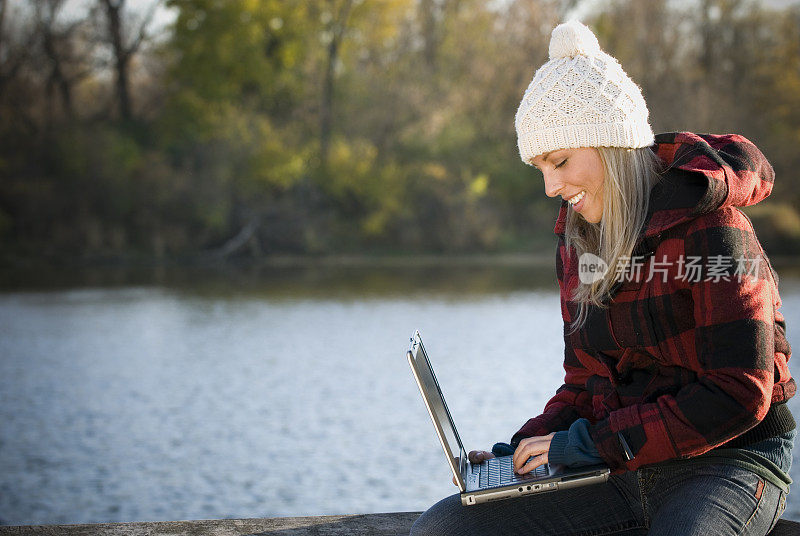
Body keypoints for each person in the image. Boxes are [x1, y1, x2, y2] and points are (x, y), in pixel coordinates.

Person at [410, 20, 796, 536]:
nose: (550, 186)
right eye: (540, 168)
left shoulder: (715, 229)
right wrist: (522, 450)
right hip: (620, 461)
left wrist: (592, 445)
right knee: (442, 528)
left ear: (609, 145)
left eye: (560, 161)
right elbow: (586, 384)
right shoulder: (578, 242)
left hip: (728, 461)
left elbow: (739, 392)